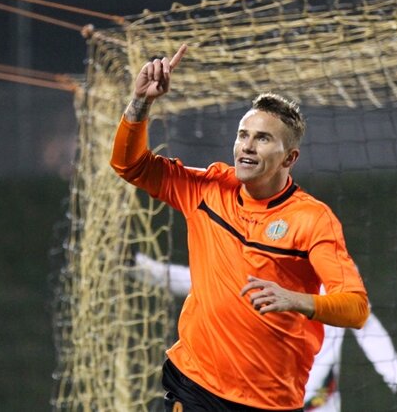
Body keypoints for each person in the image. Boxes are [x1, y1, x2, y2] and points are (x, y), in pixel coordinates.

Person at [110, 44, 370, 412]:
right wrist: (140, 102)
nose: (247, 146)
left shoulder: (312, 219)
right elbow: (129, 165)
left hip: (270, 400)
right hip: (195, 383)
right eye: (243, 134)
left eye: (263, 138)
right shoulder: (209, 187)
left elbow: (356, 308)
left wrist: (295, 299)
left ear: (290, 157)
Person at [132, 252, 397, 411]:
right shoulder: (256, 272)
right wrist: (144, 268)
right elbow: (198, 282)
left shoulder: (334, 275)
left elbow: (365, 324)